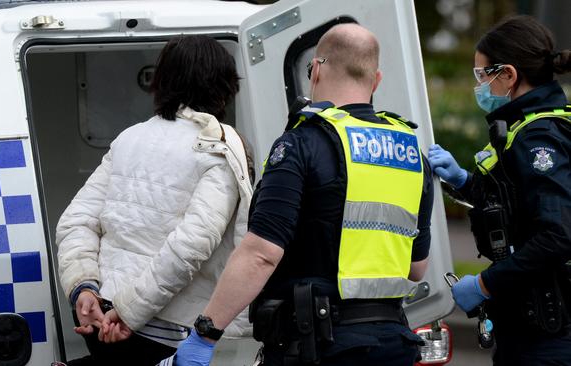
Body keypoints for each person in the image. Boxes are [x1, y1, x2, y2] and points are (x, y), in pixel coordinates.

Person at [170, 23, 434, 366]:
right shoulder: (413, 154)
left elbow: (261, 254)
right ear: (377, 80)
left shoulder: (303, 143)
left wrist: (205, 334)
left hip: (321, 344)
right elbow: (417, 267)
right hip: (392, 343)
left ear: (317, 69)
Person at [55, 35, 253, 365]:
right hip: (165, 333)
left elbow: (76, 222)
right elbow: (190, 246)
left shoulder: (129, 138)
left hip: (102, 322)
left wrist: (84, 289)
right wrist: (129, 314)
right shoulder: (219, 146)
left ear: (162, 82)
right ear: (223, 85)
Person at [428, 15, 571, 365]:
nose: (478, 86)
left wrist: (484, 285)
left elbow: (557, 234)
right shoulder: (532, 126)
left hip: (548, 334)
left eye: (482, 75)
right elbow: (517, 206)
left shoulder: (540, 139)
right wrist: (464, 180)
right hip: (535, 327)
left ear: (508, 75)